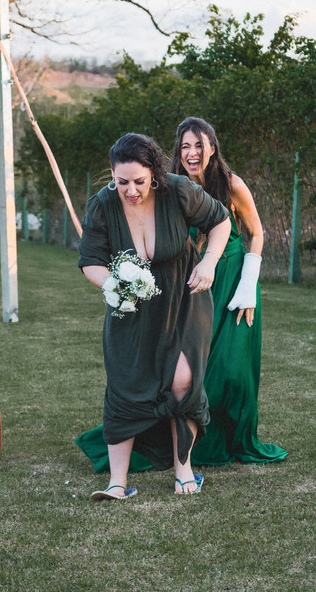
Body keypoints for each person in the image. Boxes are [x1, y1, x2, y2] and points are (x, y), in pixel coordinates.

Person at [74, 119, 287, 472]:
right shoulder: (135, 194)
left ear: (212, 147)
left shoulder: (212, 186)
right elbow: (94, 258)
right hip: (175, 287)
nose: (192, 152)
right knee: (171, 375)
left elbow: (244, 229)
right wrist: (115, 284)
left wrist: (241, 278)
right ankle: (159, 451)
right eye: (185, 145)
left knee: (219, 373)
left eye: (199, 145)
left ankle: (216, 447)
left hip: (220, 281)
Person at [76, 133, 231, 499]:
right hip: (130, 307)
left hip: (183, 299)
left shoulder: (178, 190)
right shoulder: (102, 205)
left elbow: (220, 221)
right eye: (122, 182)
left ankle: (184, 469)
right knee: (126, 383)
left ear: (155, 173)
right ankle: (117, 482)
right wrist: (114, 286)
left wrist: (209, 262)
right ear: (112, 174)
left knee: (182, 380)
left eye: (139, 181)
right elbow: (90, 261)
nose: (130, 190)